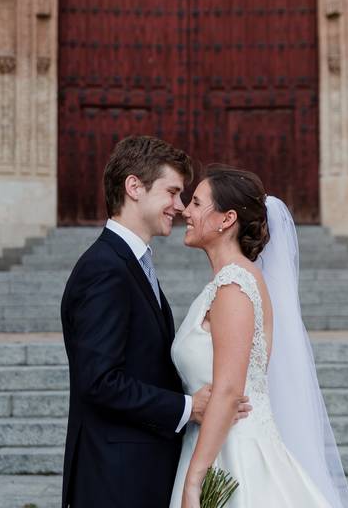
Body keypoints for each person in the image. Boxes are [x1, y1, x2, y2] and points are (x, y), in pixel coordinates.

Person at [60, 136, 250, 508]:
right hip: (115, 478)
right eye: (173, 192)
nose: (180, 208)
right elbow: (98, 381)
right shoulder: (105, 270)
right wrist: (186, 407)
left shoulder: (130, 264)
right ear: (134, 187)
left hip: (137, 469)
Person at [170, 165, 348, 508]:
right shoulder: (227, 283)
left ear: (226, 219)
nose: (185, 211)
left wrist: (193, 483)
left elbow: (229, 391)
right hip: (214, 444)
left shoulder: (235, 287)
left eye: (196, 203)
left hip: (235, 456)